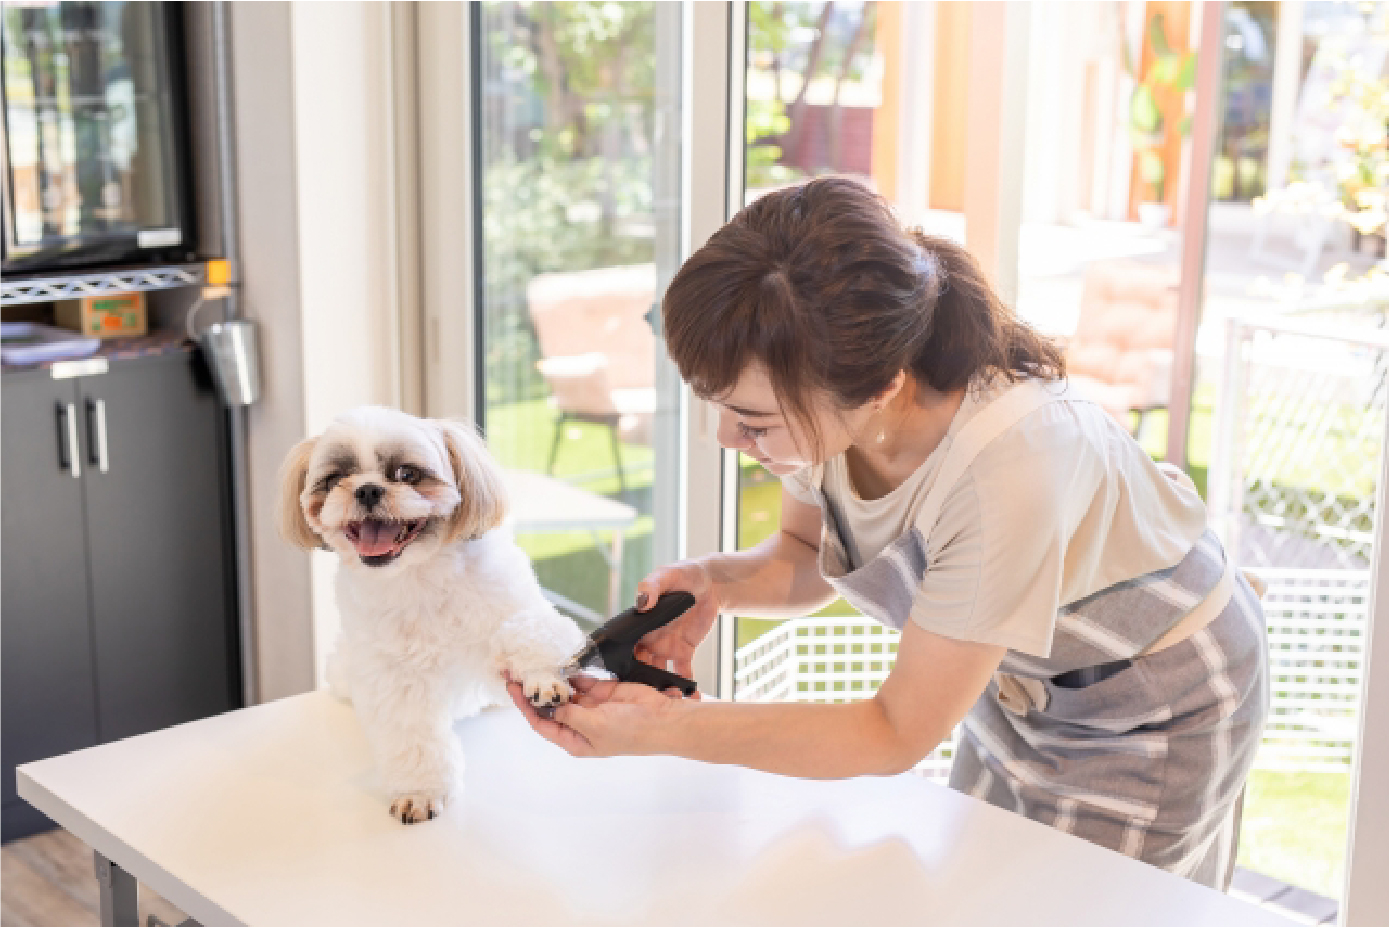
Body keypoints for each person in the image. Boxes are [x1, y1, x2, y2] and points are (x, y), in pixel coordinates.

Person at [506, 176, 1268, 889]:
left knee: (1072, 905)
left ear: (881, 388)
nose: (725, 436)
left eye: (753, 420)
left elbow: (893, 732)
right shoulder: (826, 408)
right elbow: (805, 557)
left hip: (1150, 703)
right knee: (975, 892)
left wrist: (671, 731)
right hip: (1020, 686)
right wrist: (716, 582)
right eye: (720, 405)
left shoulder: (1010, 471)